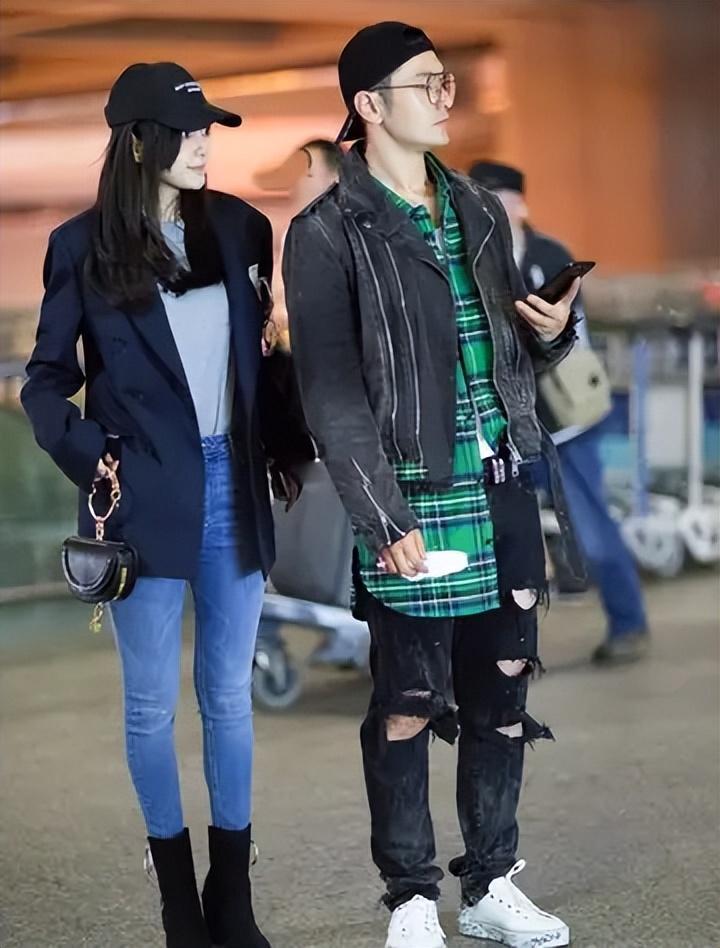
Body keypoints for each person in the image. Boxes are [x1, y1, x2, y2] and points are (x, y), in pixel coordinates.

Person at [283, 21, 582, 948]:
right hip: (412, 493)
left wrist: (551, 334)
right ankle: (411, 896)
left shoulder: (479, 210)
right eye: (428, 83)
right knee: (408, 703)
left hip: (501, 479)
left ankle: (490, 884)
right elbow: (332, 393)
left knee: (503, 690)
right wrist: (381, 515)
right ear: (369, 106)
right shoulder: (327, 232)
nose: (448, 97)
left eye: (448, 80)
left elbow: (503, 354)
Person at [21, 62, 309, 948]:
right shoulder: (80, 247)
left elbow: (261, 359)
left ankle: (234, 900)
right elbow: (44, 383)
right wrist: (96, 458)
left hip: (234, 486)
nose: (203, 145)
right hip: (140, 498)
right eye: (186, 132)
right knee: (149, 706)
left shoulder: (244, 229)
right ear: (139, 143)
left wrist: (287, 438)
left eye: (208, 130)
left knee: (228, 696)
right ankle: (179, 905)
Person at [469, 161, 650, 665]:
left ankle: (629, 624)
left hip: (565, 423)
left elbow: (574, 336)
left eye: (503, 201)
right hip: (503, 427)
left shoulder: (550, 256)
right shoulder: (469, 259)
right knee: (498, 543)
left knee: (592, 529)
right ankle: (502, 652)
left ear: (521, 204)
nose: (495, 212)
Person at [255, 138, 343, 350]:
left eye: (307, 173)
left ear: (336, 179)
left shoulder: (339, 234)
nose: (296, 182)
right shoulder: (297, 230)